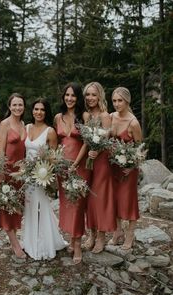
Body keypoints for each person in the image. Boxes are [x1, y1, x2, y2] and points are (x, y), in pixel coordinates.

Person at [23, 98, 67, 260]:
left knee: (41, 207)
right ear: (32, 111)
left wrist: (47, 175)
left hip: (42, 176)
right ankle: (30, 241)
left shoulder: (50, 132)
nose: (38, 112)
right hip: (27, 177)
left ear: (46, 112)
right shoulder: (26, 127)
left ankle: (44, 244)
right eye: (36, 109)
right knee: (29, 208)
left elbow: (54, 157)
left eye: (42, 109)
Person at [54, 82, 90, 264]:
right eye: (67, 95)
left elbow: (87, 142)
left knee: (77, 204)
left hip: (79, 166)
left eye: (73, 95)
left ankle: (77, 244)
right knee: (67, 204)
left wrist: (76, 163)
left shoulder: (84, 116)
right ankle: (72, 238)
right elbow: (54, 143)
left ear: (78, 98)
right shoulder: (57, 117)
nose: (69, 98)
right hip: (62, 167)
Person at [0, 93, 26, 258]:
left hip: (21, 173)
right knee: (7, 206)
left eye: (20, 105)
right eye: (14, 105)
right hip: (8, 171)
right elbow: (1, 151)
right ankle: (14, 243)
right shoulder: (4, 124)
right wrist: (0, 173)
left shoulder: (25, 124)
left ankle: (18, 237)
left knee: (17, 206)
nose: (18, 108)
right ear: (9, 106)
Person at [83, 82, 116, 253]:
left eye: (93, 95)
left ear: (100, 96)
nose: (90, 98)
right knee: (89, 198)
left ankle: (102, 236)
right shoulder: (87, 116)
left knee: (100, 198)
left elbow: (108, 140)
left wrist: (98, 150)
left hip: (102, 162)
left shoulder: (104, 115)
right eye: (88, 95)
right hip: (88, 161)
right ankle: (91, 234)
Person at [109, 87, 142, 250]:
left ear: (127, 101)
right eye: (114, 100)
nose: (116, 104)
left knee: (128, 201)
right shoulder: (110, 117)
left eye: (120, 100)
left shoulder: (133, 123)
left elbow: (140, 149)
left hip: (128, 170)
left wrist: (132, 166)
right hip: (113, 167)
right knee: (114, 200)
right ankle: (117, 232)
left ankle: (130, 234)